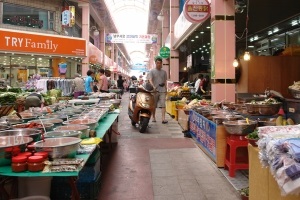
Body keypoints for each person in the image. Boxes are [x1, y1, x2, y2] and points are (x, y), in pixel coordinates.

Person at [148, 56, 168, 124]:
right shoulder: (152, 71)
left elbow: (165, 81)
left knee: (163, 104)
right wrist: (153, 86)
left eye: (160, 63)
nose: (159, 64)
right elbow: (150, 79)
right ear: (155, 63)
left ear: (162, 63)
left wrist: (166, 89)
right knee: (154, 105)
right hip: (155, 91)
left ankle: (163, 119)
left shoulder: (164, 72)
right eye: (157, 63)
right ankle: (153, 117)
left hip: (162, 90)